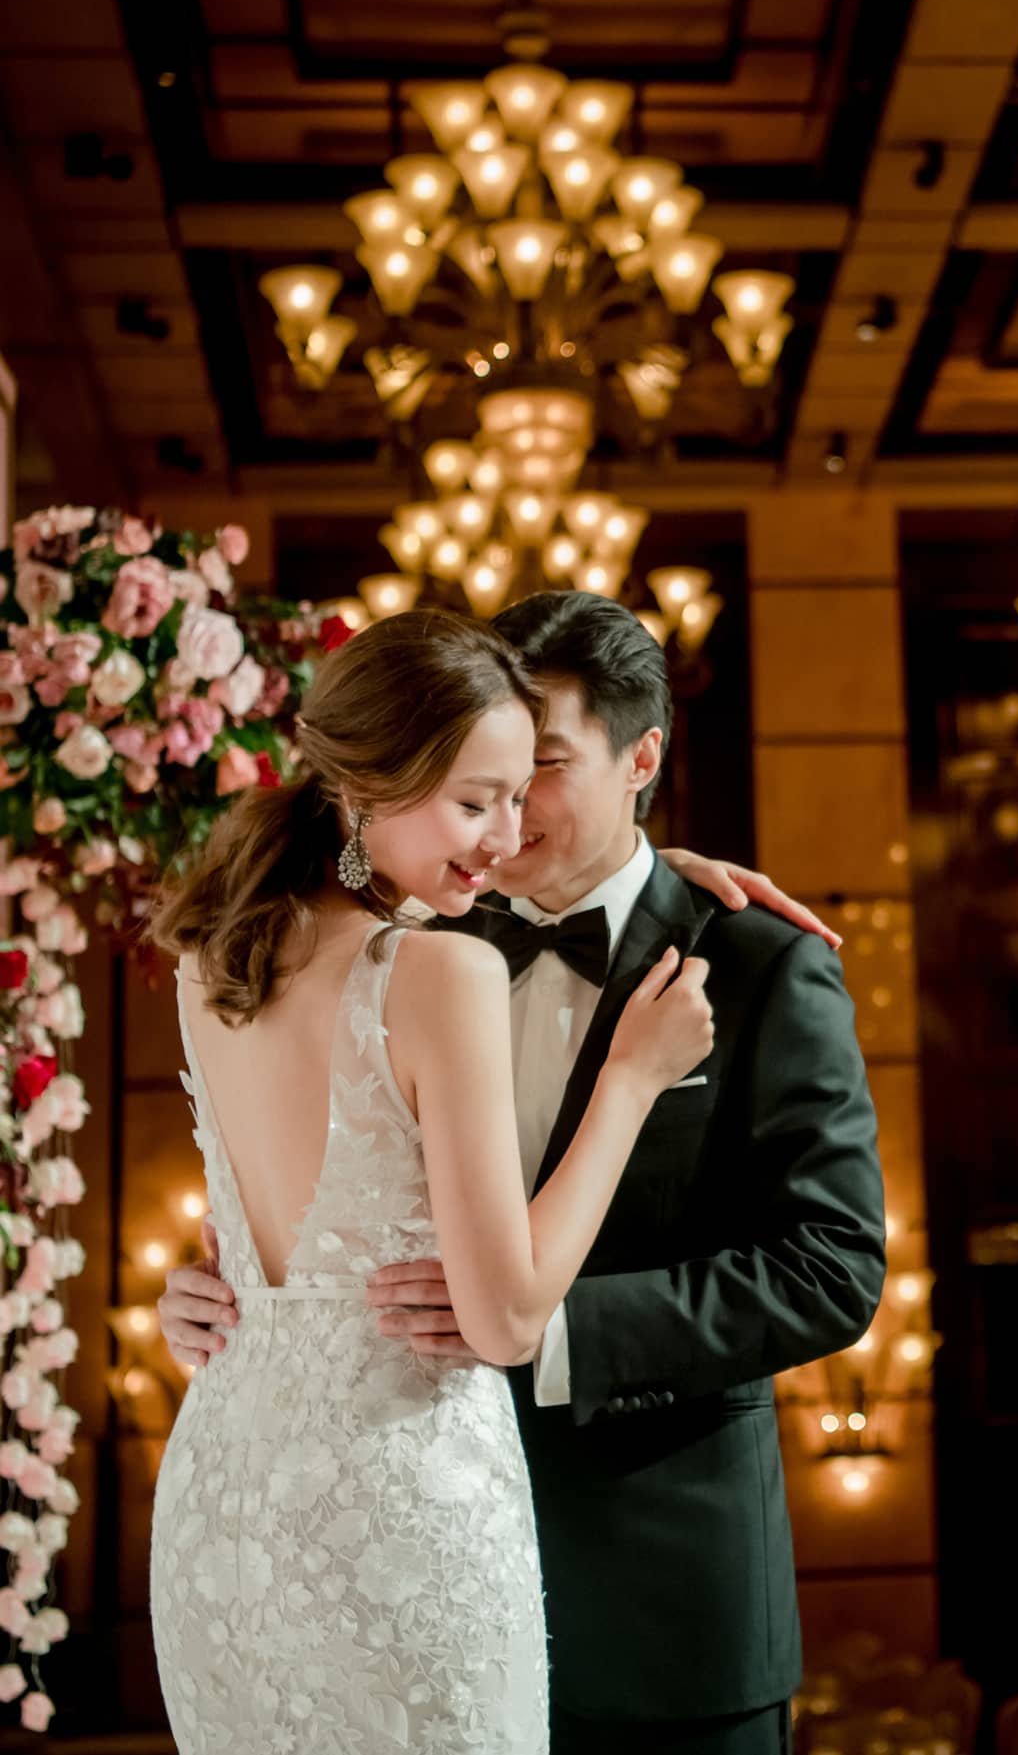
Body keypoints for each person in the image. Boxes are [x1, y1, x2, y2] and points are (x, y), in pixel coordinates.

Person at [161, 590, 887, 1755]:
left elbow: (833, 1265)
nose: (508, 823)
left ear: (641, 756)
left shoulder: (752, 957)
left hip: (660, 1608)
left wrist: (551, 1331)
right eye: (482, 782)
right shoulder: (424, 927)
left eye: (539, 767)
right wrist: (210, 1287)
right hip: (384, 1570)